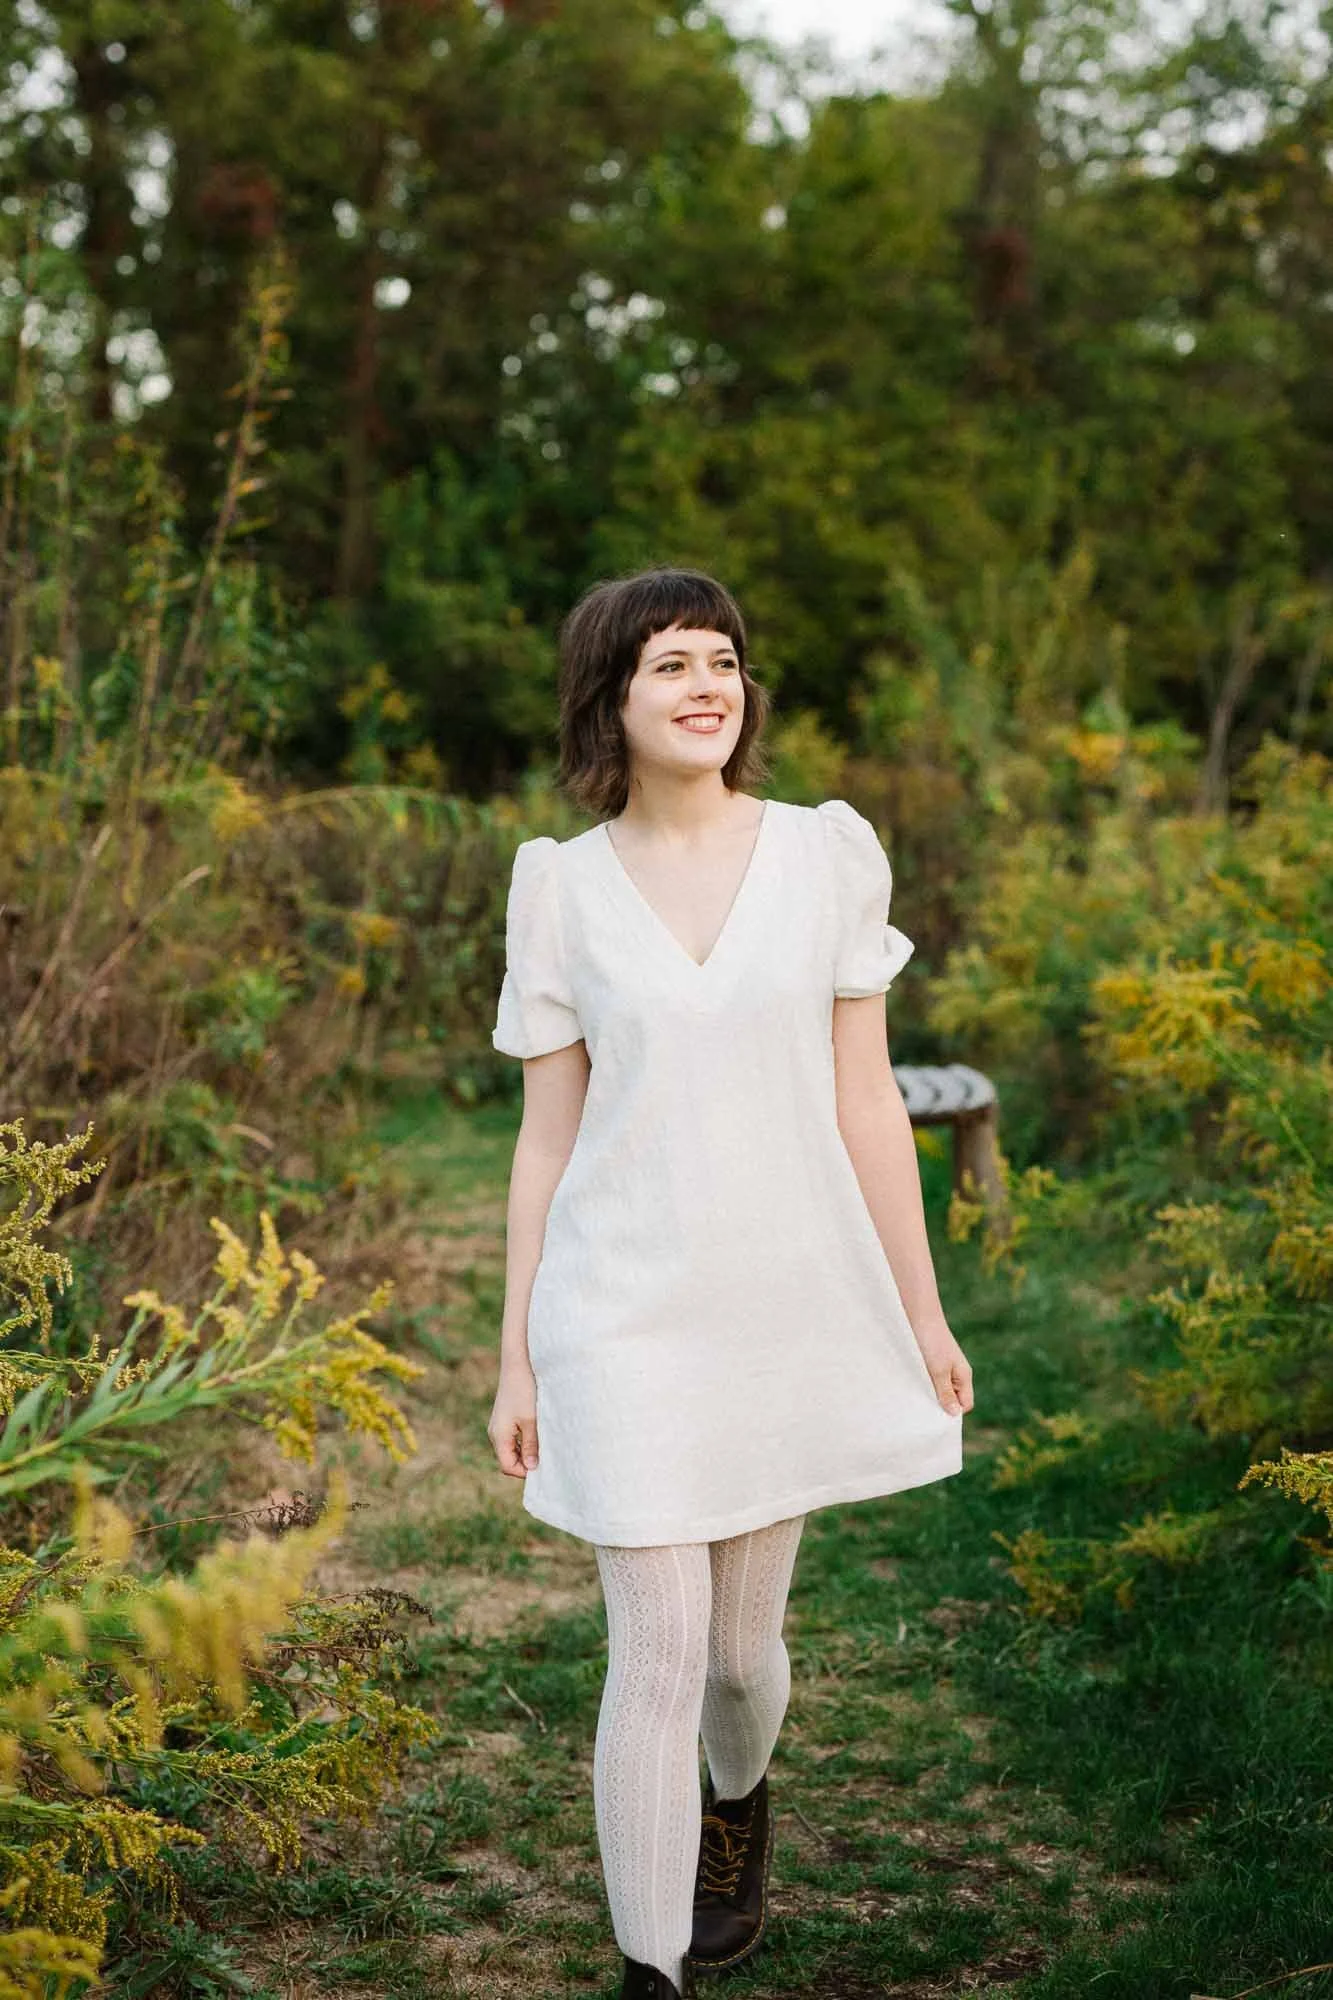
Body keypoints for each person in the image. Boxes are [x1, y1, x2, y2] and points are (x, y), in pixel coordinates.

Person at [488, 567, 974, 2000]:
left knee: (740, 1658)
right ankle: (653, 1972)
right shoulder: (560, 887)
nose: (707, 686)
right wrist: (517, 1356)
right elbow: (546, 1139)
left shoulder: (826, 855)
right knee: (657, 1649)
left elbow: (870, 1101)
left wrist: (921, 1311)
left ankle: (739, 1801)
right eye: (670, 665)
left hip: (782, 1300)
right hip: (619, 1308)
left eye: (723, 661)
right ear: (612, 701)